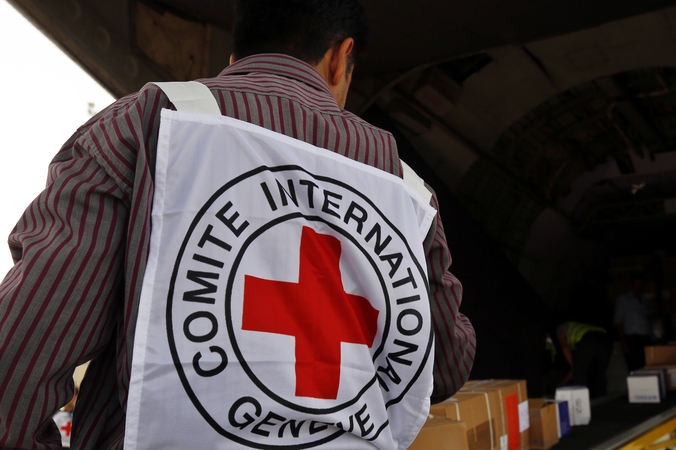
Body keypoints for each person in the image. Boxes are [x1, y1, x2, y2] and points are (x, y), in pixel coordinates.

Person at [0, 1, 476, 448]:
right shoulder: (406, 191)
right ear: (340, 57)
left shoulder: (145, 126)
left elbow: (20, 363)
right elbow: (446, 365)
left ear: (234, 56)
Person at [555, 321, 611, 397]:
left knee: (580, 378)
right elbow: (574, 369)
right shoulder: (579, 328)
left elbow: (564, 347)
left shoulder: (560, 328)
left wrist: (575, 369)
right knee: (599, 374)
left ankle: (581, 402)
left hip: (588, 339)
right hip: (605, 340)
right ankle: (601, 402)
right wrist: (562, 383)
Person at [613, 272, 653, 371]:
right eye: (636, 284)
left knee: (647, 366)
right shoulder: (624, 299)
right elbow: (618, 321)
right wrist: (623, 343)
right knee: (635, 368)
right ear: (631, 285)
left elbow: (648, 319)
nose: (638, 287)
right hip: (632, 339)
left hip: (645, 338)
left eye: (640, 285)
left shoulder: (644, 300)